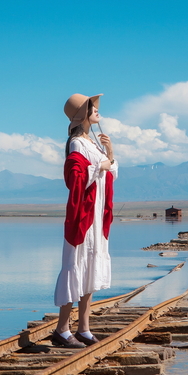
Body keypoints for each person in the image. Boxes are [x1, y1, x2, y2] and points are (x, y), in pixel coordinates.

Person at [51, 93, 117, 348]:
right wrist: (100, 165)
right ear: (82, 115)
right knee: (76, 266)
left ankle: (84, 328)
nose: (97, 110)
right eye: (92, 107)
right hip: (84, 217)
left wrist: (109, 154)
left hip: (96, 216)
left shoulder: (94, 143)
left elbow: (108, 170)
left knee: (90, 268)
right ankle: (62, 329)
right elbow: (74, 178)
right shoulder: (78, 143)